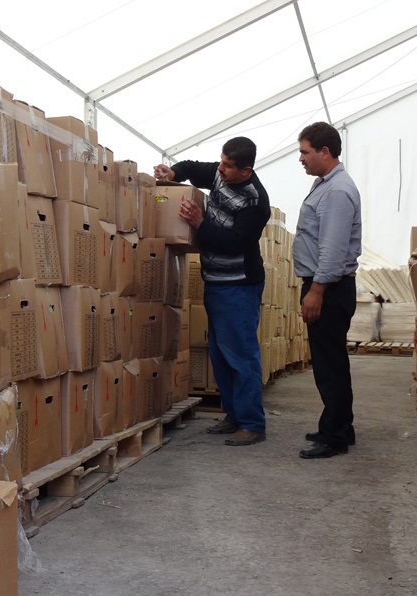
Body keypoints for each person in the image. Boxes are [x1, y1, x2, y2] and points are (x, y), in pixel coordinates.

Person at [153, 136, 270, 446]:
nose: (221, 168)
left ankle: (252, 423)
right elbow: (192, 167)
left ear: (245, 170)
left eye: (228, 166)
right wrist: (173, 173)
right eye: (221, 161)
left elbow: (235, 243)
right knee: (219, 353)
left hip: (239, 286)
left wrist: (200, 223)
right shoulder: (220, 173)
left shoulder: (256, 201)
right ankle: (233, 415)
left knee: (240, 354)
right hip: (216, 281)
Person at [292, 122, 362, 459]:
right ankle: (340, 427)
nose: (301, 158)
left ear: (324, 151)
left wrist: (316, 291)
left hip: (329, 288)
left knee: (329, 364)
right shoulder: (327, 184)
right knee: (332, 360)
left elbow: (332, 251)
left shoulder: (336, 191)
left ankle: (333, 436)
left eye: (305, 151)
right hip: (328, 285)